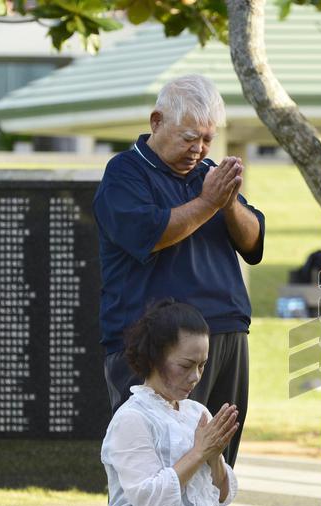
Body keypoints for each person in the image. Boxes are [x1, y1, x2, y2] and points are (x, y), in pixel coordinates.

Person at [93, 73, 264, 472]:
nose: (199, 148)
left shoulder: (211, 177)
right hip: (157, 340)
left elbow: (254, 243)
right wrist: (209, 202)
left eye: (207, 138)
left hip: (225, 332)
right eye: (189, 136)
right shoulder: (124, 173)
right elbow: (152, 234)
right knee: (163, 460)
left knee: (218, 463)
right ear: (156, 122)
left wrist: (227, 202)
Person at [96, 300, 299, 506]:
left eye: (202, 365)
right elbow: (149, 499)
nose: (195, 376)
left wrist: (215, 456)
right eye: (186, 365)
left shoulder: (196, 412)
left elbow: (221, 495)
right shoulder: (132, 418)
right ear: (154, 358)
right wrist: (198, 453)